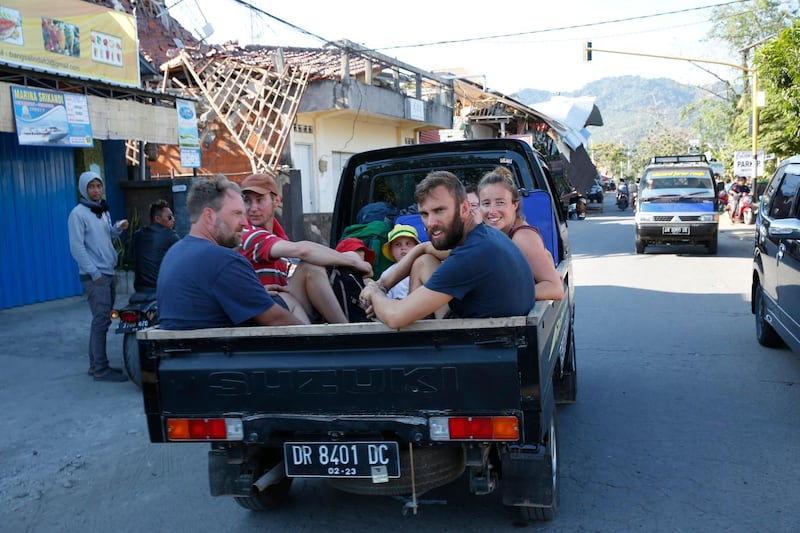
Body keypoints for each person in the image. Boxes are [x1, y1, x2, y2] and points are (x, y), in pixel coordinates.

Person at [360, 170, 535, 329]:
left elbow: (395, 317)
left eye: (439, 211)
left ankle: (417, 339)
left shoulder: (471, 256)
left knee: (401, 311)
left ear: (465, 209)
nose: (431, 223)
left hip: (479, 346)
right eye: (425, 214)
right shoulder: (484, 236)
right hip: (490, 332)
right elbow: (424, 248)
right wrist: (382, 285)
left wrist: (374, 292)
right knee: (423, 261)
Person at [157, 175, 303, 330]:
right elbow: (277, 320)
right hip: (227, 352)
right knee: (290, 299)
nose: (244, 222)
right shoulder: (224, 261)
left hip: (189, 349)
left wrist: (255, 293)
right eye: (236, 213)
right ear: (210, 216)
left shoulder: (174, 253)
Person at [239, 173, 373, 323]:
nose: (253, 208)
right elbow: (304, 251)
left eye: (259, 200)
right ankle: (347, 333)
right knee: (310, 268)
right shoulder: (247, 234)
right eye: (248, 202)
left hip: (281, 304)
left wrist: (350, 257)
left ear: (276, 200)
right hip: (263, 313)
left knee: (341, 269)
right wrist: (354, 262)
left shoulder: (277, 236)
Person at [68, 170, 130, 382]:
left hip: (107, 272)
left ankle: (96, 366)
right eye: (91, 187)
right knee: (101, 320)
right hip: (97, 276)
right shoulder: (78, 214)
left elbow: (106, 237)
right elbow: (77, 248)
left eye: (98, 186)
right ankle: (100, 369)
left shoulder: (101, 210)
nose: (96, 190)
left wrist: (117, 228)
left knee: (102, 320)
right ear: (84, 189)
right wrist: (94, 274)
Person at [477, 167, 564, 301]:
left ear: (515, 205)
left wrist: (500, 296)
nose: (492, 211)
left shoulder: (523, 237)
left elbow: (554, 288)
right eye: (486, 203)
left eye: (500, 203)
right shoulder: (494, 232)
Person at [132, 199, 180, 293]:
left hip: (139, 288)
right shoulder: (170, 235)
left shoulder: (138, 235)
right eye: (169, 217)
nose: (173, 220)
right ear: (157, 218)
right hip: (160, 288)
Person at [378, 224, 420, 299]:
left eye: (408, 244)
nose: (403, 248)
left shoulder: (423, 266)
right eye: (398, 245)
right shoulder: (388, 274)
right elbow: (385, 299)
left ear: (417, 247)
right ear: (391, 251)